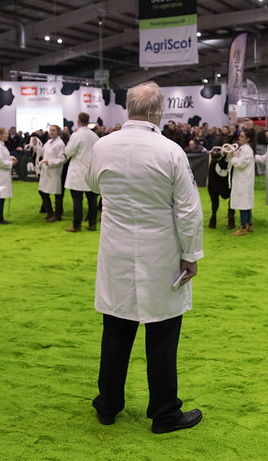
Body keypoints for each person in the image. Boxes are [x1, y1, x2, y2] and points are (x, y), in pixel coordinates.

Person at [86, 81, 204, 434]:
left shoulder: (103, 146)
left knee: (116, 331)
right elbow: (188, 210)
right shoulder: (170, 151)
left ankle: (108, 405)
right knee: (163, 335)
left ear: (128, 109)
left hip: (117, 253)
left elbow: (93, 185)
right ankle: (165, 412)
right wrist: (191, 254)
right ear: (157, 112)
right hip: (161, 255)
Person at [64, 112, 99, 232]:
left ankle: (76, 225)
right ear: (88, 121)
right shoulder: (94, 136)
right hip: (90, 170)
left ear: (78, 121)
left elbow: (68, 151)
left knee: (77, 200)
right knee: (92, 200)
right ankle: (92, 223)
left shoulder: (76, 135)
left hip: (78, 171)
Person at [35, 124, 67, 222]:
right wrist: (36, 145)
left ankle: (57, 215)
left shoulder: (60, 144)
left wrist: (51, 162)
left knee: (57, 194)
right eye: (50, 130)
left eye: (53, 130)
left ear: (58, 132)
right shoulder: (49, 142)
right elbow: (42, 152)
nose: (51, 132)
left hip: (54, 171)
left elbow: (63, 159)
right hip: (46, 172)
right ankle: (49, 212)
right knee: (43, 192)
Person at [229, 128, 256, 236]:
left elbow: (240, 164)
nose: (240, 138)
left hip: (243, 180)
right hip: (244, 179)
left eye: (242, 137)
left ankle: (243, 227)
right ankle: (249, 224)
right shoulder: (244, 148)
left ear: (248, 139)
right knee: (246, 203)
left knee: (243, 204)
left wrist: (232, 158)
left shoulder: (246, 150)